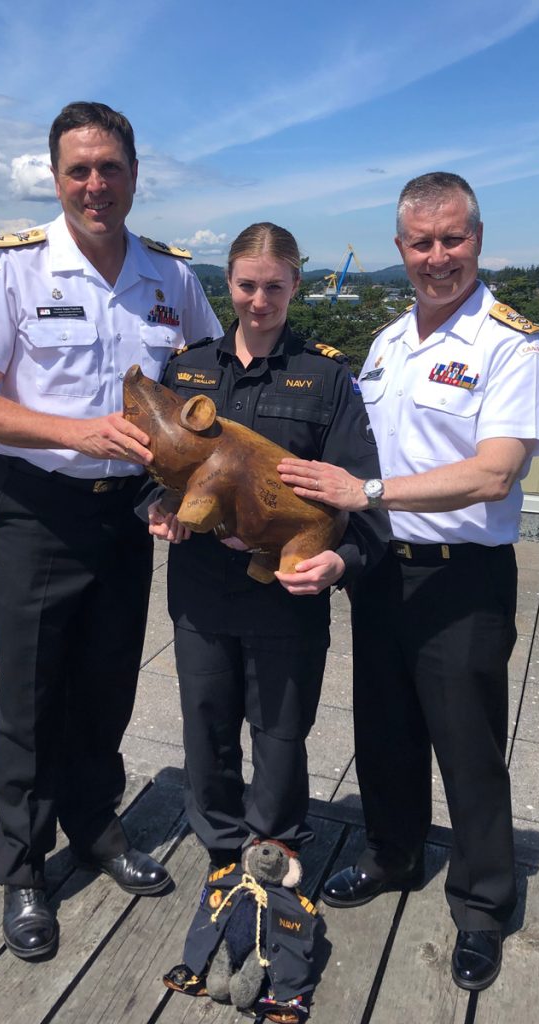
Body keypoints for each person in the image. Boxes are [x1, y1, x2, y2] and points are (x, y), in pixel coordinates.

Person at [0, 101, 221, 961]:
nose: (95, 185)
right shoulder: (11, 268)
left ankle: (96, 827)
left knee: (106, 682)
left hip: (131, 511)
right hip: (39, 507)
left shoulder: (171, 277)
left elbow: (208, 384)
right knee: (32, 691)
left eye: (110, 168)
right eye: (78, 170)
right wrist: (76, 431)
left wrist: (184, 482)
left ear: (136, 174)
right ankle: (23, 868)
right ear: (56, 177)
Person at [279, 172, 539, 992]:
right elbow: (358, 454)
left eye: (454, 238)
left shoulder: (513, 344)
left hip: (461, 579)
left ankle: (481, 904)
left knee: (468, 747)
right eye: (421, 242)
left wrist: (364, 495)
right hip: (379, 569)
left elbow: (493, 474)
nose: (438, 256)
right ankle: (393, 853)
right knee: (386, 729)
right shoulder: (388, 343)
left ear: (479, 237)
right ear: (400, 248)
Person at [147, 223, 387, 1007]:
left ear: (295, 286)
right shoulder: (185, 373)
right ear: (229, 285)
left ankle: (273, 849)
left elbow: (358, 494)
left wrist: (342, 561)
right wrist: (159, 510)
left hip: (288, 599)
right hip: (203, 593)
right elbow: (154, 476)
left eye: (274, 285)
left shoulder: (325, 379)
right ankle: (222, 854)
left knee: (280, 728)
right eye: (246, 285)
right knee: (206, 722)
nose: (258, 300)